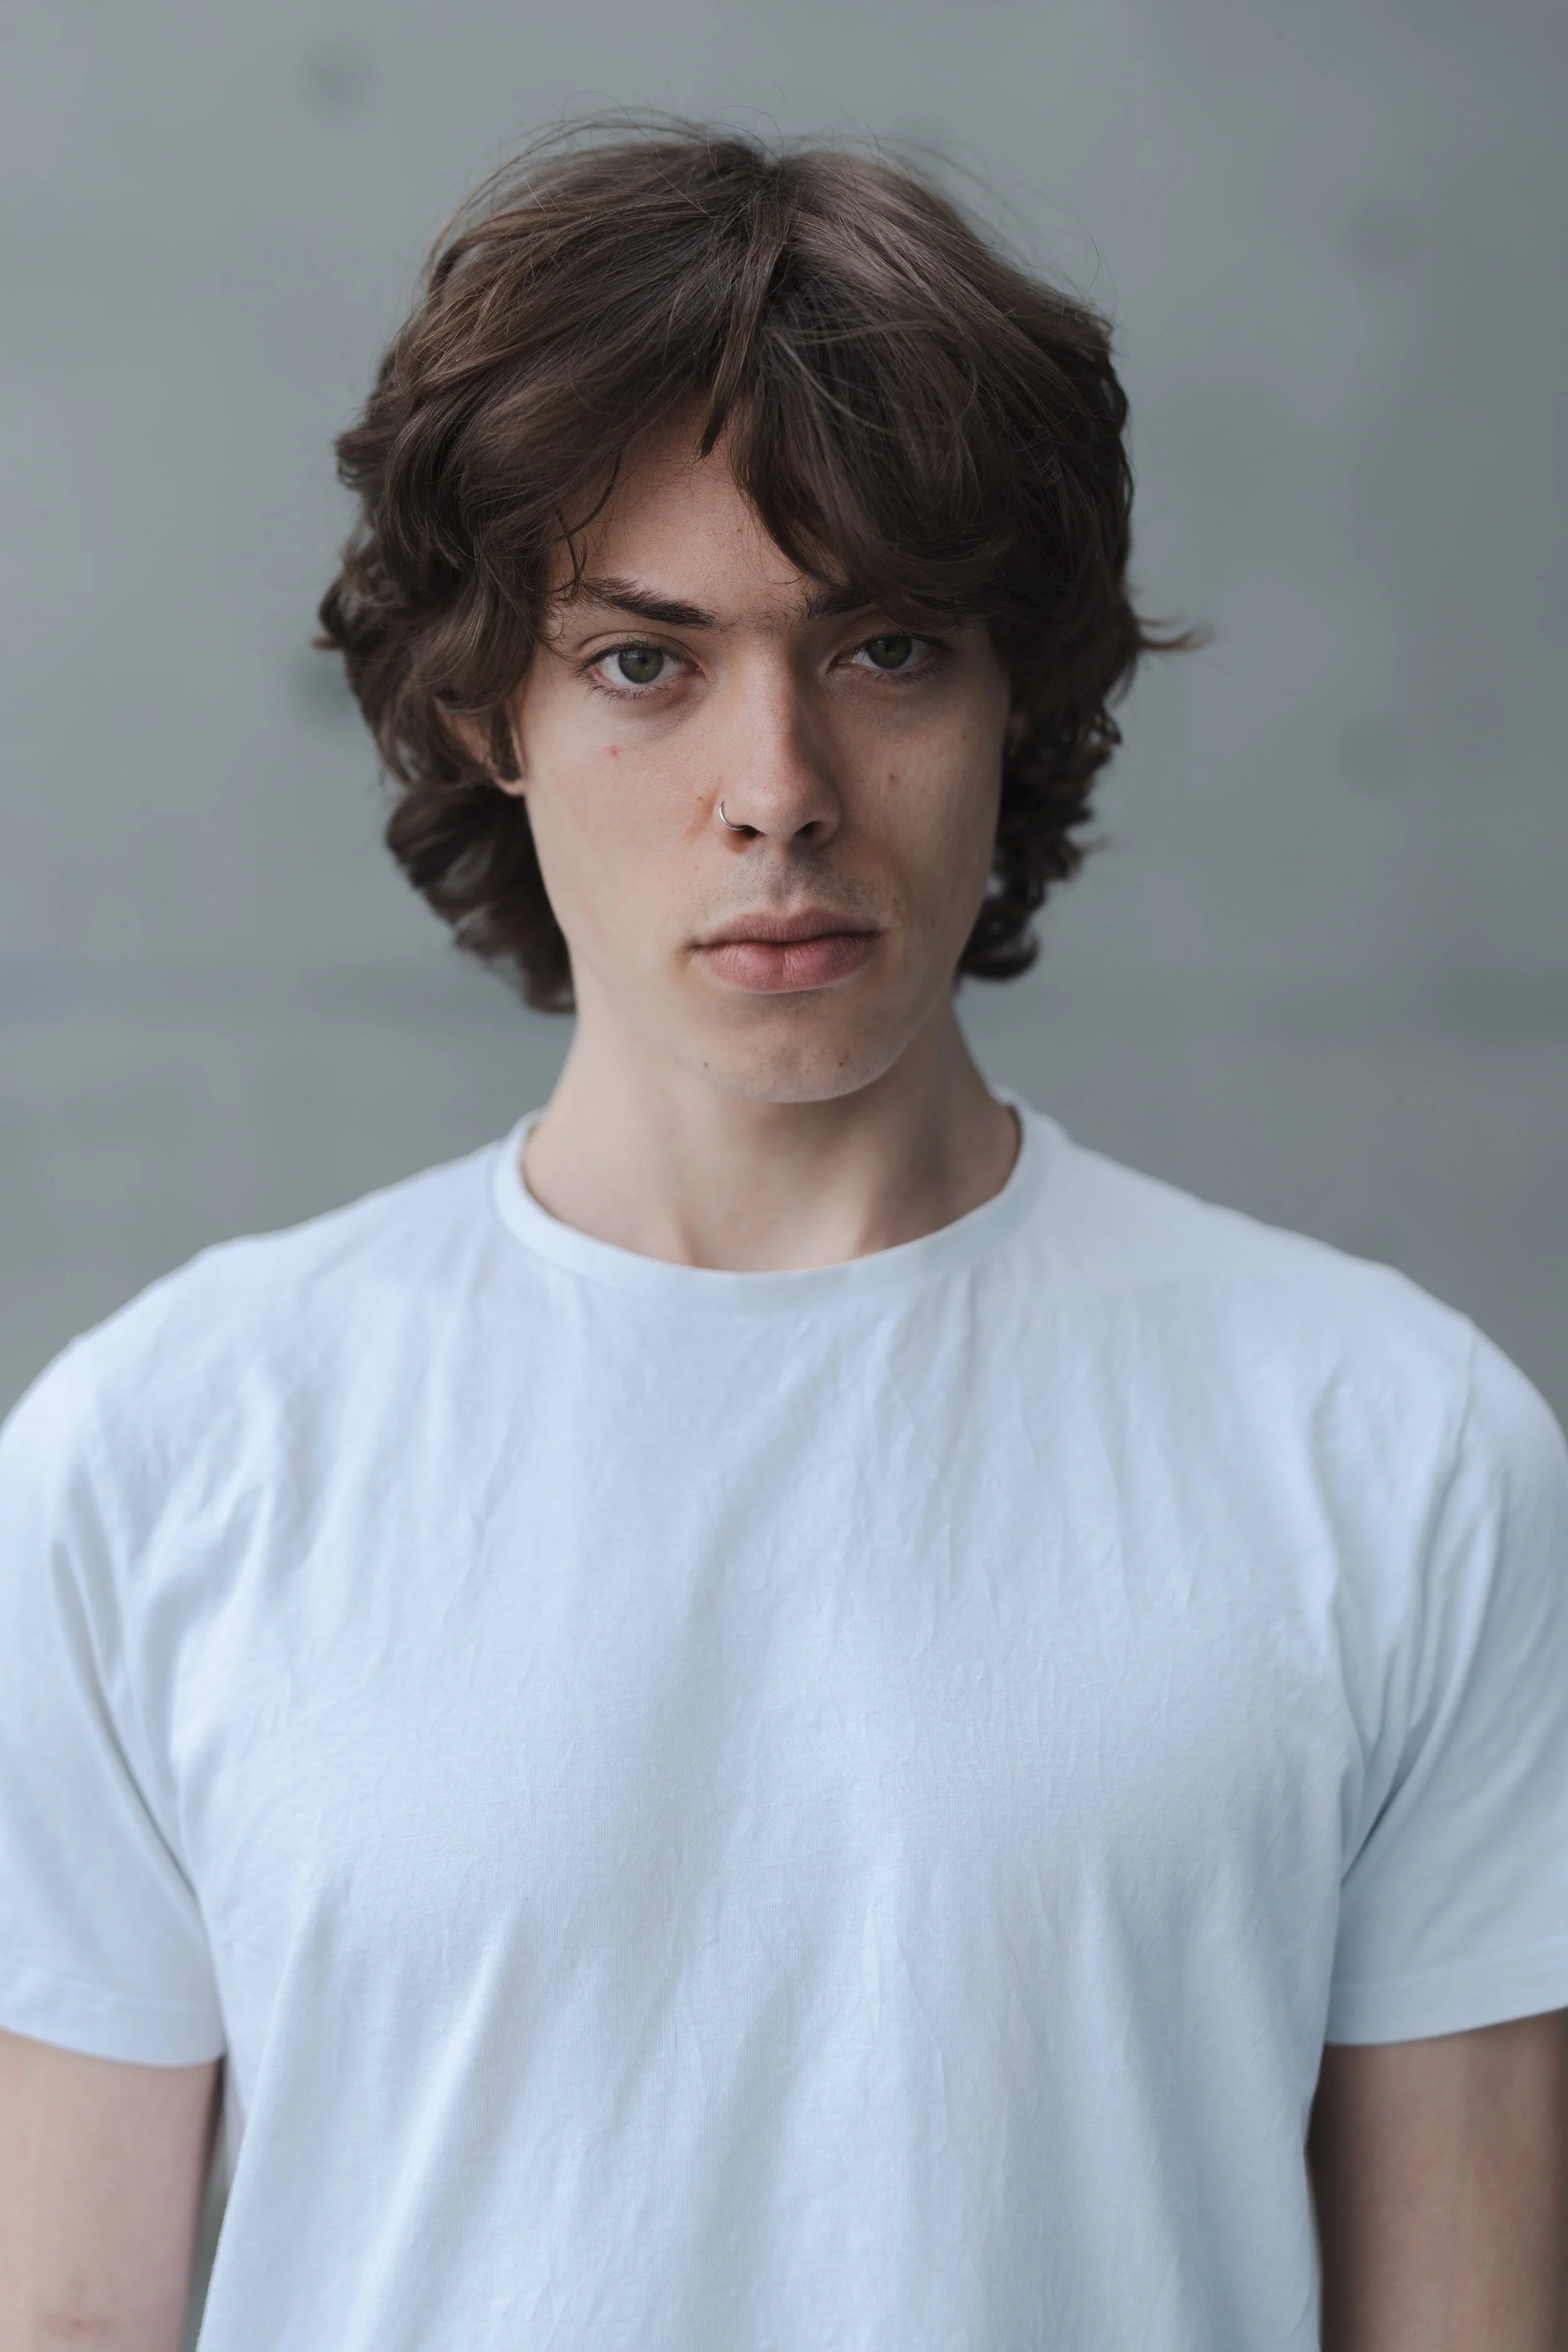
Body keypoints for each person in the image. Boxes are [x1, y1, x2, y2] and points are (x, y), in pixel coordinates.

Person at [1, 125, 1565, 2352]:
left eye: (887, 647)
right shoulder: (160, 1459)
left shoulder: (1394, 1453)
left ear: (1016, 694)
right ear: (487, 707)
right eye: (646, 663)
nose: (780, 787)